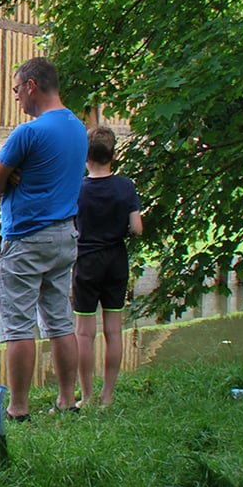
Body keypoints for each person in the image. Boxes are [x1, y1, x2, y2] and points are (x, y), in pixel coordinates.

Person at [0, 56, 89, 419]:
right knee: (60, 321)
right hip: (64, 237)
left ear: (31, 85)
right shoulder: (78, 128)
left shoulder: (29, 132)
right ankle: (66, 399)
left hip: (26, 238)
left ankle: (18, 407)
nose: (16, 98)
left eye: (16, 89)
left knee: (18, 325)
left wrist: (12, 174)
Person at [72, 125, 144, 407]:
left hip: (86, 262)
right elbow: (137, 228)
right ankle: (108, 396)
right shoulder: (126, 186)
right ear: (114, 155)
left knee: (84, 332)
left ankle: (87, 396)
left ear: (85, 157)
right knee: (113, 331)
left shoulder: (77, 188)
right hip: (116, 261)